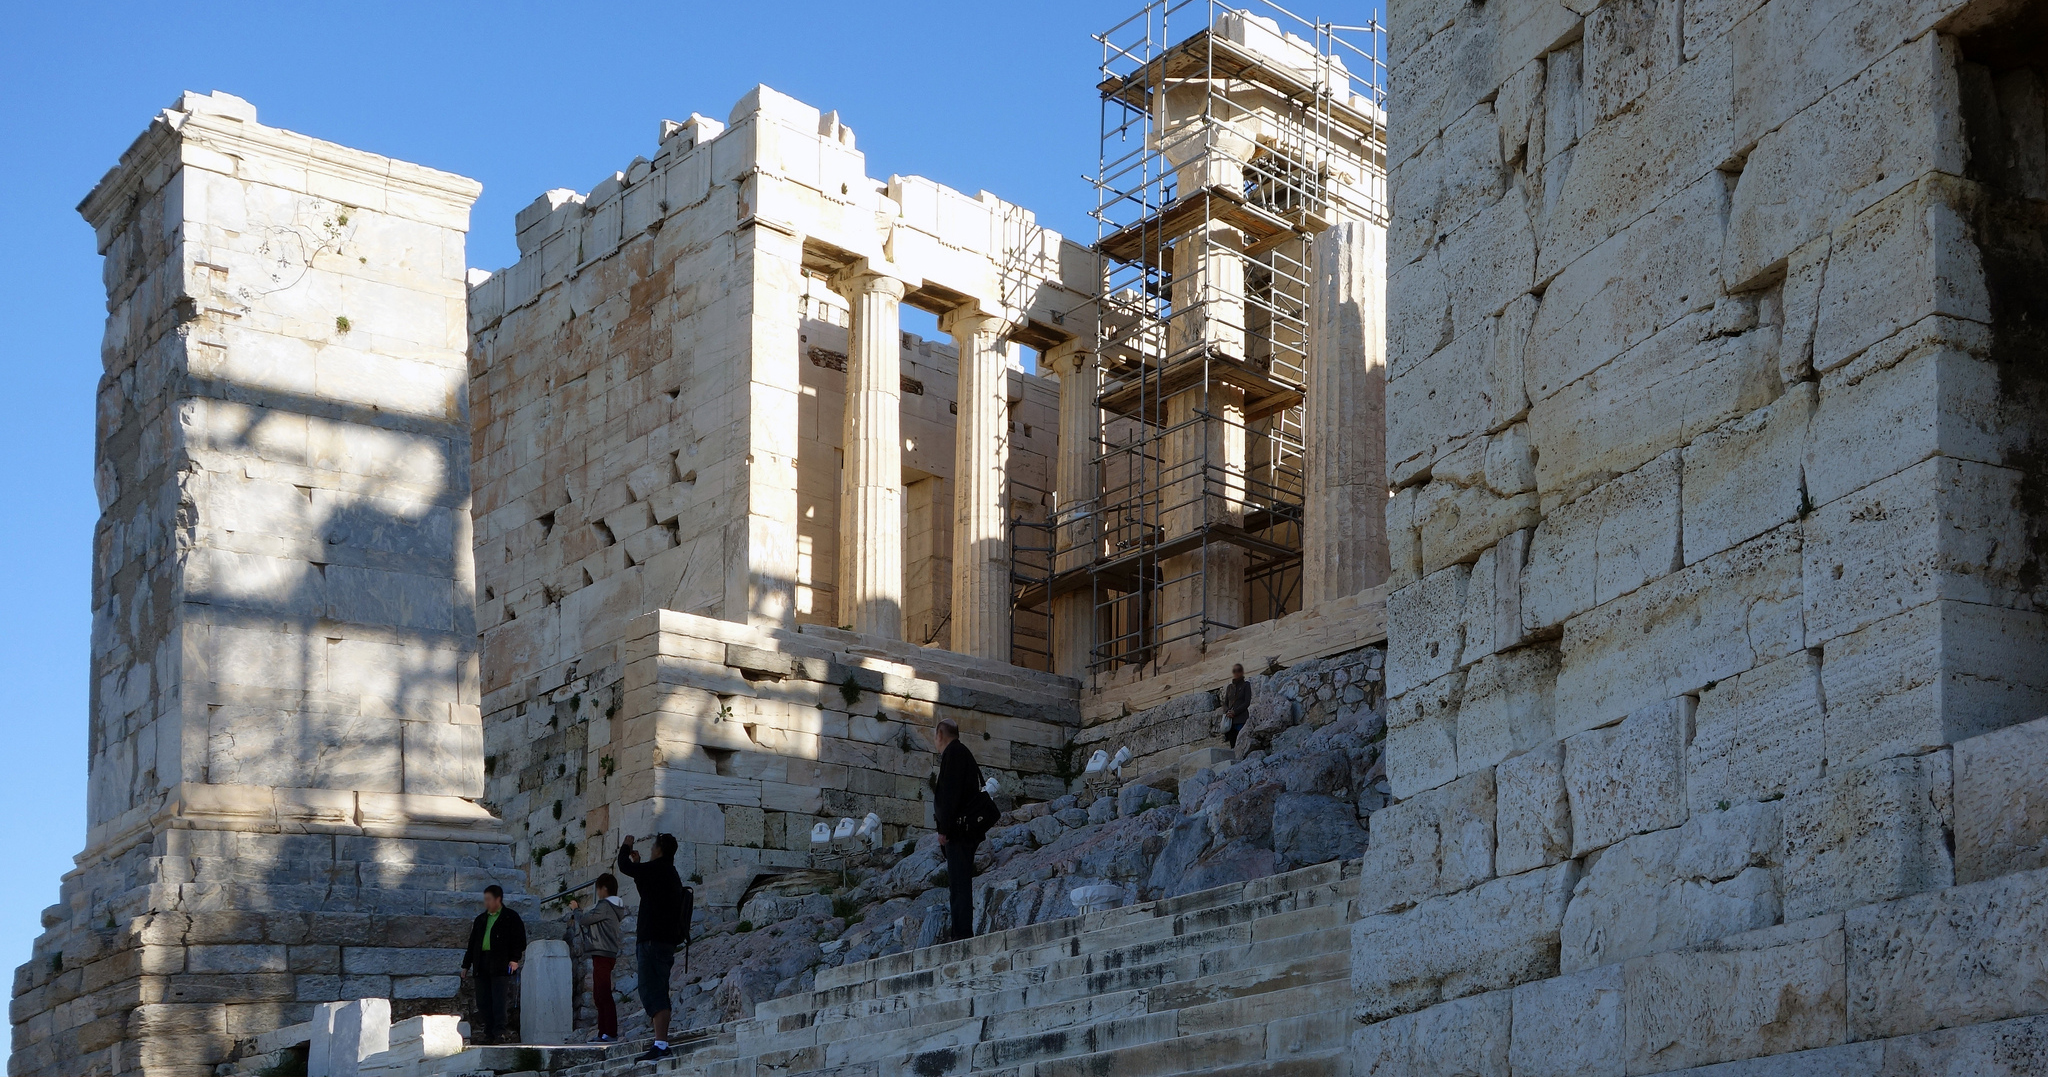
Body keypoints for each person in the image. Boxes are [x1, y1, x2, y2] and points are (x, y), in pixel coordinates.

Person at [617, 833, 687, 1063]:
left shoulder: (658, 869)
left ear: (658, 849)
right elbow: (648, 892)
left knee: (653, 991)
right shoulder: (669, 873)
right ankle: (660, 1042)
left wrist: (626, 846)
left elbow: (623, 866)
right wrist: (639, 866)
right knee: (657, 989)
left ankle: (661, 1044)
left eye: (653, 846)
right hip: (663, 941)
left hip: (653, 942)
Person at [932, 717, 986, 941]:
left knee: (959, 884)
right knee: (960, 882)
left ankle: (961, 934)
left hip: (959, 831)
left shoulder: (953, 754)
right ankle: (961, 931)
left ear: (941, 735)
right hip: (966, 829)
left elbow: (950, 795)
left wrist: (943, 829)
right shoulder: (963, 753)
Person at [460, 885, 526, 1045]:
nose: (486, 903)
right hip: (482, 962)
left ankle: (499, 1032)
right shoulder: (481, 919)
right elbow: (472, 943)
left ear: (498, 899)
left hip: (500, 962)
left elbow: (519, 940)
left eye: (489, 899)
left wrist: (514, 959)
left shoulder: (510, 917)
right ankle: (488, 1032)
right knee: (483, 1001)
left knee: (499, 999)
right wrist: (466, 965)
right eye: (485, 899)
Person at [567, 873, 625, 1043]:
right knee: (600, 994)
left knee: (603, 994)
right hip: (606, 953)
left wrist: (576, 909)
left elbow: (586, 920)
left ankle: (610, 1032)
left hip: (602, 953)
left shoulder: (605, 906)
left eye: (598, 889)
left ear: (604, 889)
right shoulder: (614, 907)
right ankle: (603, 1032)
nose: (597, 892)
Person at [1222, 664, 1252, 747]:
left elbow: (1247, 702)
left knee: (1242, 744)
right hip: (1230, 721)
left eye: (1238, 670)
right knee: (1233, 744)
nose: (1236, 673)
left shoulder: (1246, 685)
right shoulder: (1229, 687)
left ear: (1242, 672)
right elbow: (1225, 702)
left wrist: (1235, 712)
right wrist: (1227, 711)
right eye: (1234, 671)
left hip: (1241, 719)